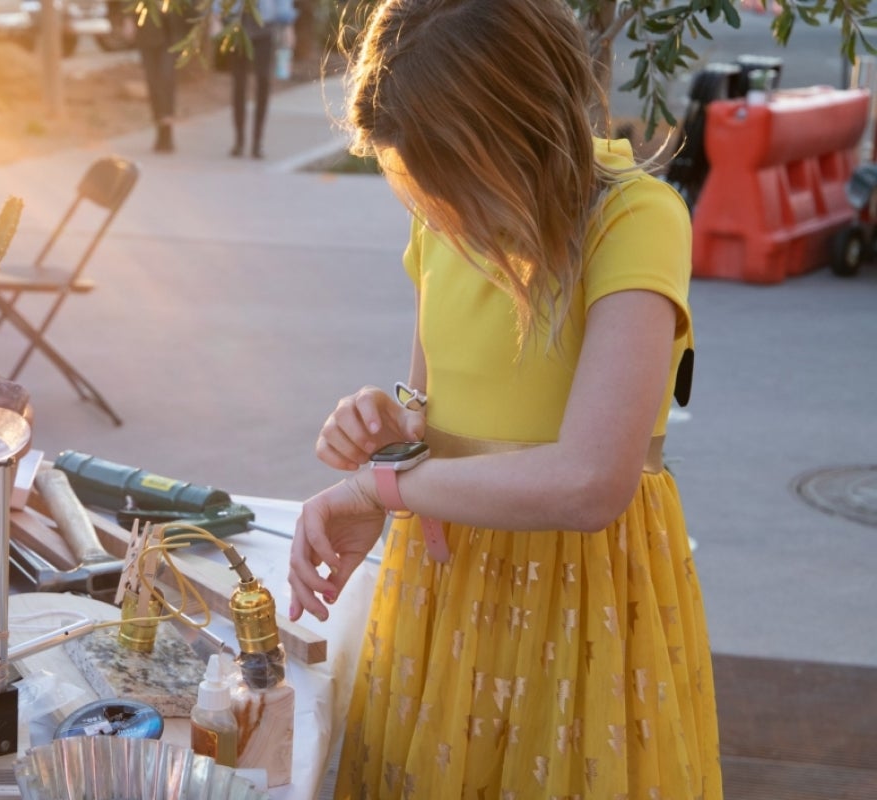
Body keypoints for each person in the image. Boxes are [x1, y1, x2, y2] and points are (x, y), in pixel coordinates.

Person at [286, 1, 722, 798]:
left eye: (453, 187)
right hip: (448, 584)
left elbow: (590, 481)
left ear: (522, 128)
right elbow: (431, 421)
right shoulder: (445, 226)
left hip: (581, 597)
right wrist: (387, 433)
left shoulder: (633, 218)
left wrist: (381, 484)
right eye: (424, 196)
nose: (443, 218)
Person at [222, 0, 296, 158]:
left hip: (265, 25)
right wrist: (216, 15)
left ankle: (257, 142)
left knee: (263, 81)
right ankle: (239, 140)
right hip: (238, 23)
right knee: (239, 83)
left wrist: (288, 24)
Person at [129, 0, 192, 153]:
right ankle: (160, 129)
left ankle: (167, 131)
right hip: (148, 32)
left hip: (172, 34)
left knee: (166, 79)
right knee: (153, 83)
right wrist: (128, 19)